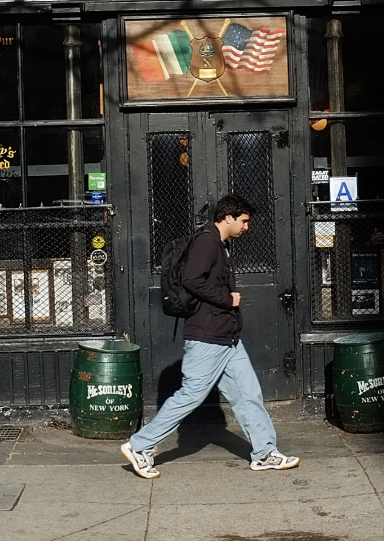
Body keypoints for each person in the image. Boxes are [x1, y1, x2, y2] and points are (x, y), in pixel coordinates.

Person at [120, 193, 300, 479]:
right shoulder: (207, 241)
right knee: (191, 396)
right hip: (207, 337)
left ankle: (265, 453)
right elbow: (193, 279)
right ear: (227, 217)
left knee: (248, 394)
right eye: (243, 221)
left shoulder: (221, 244)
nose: (246, 227)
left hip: (226, 337)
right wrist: (228, 300)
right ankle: (140, 446)